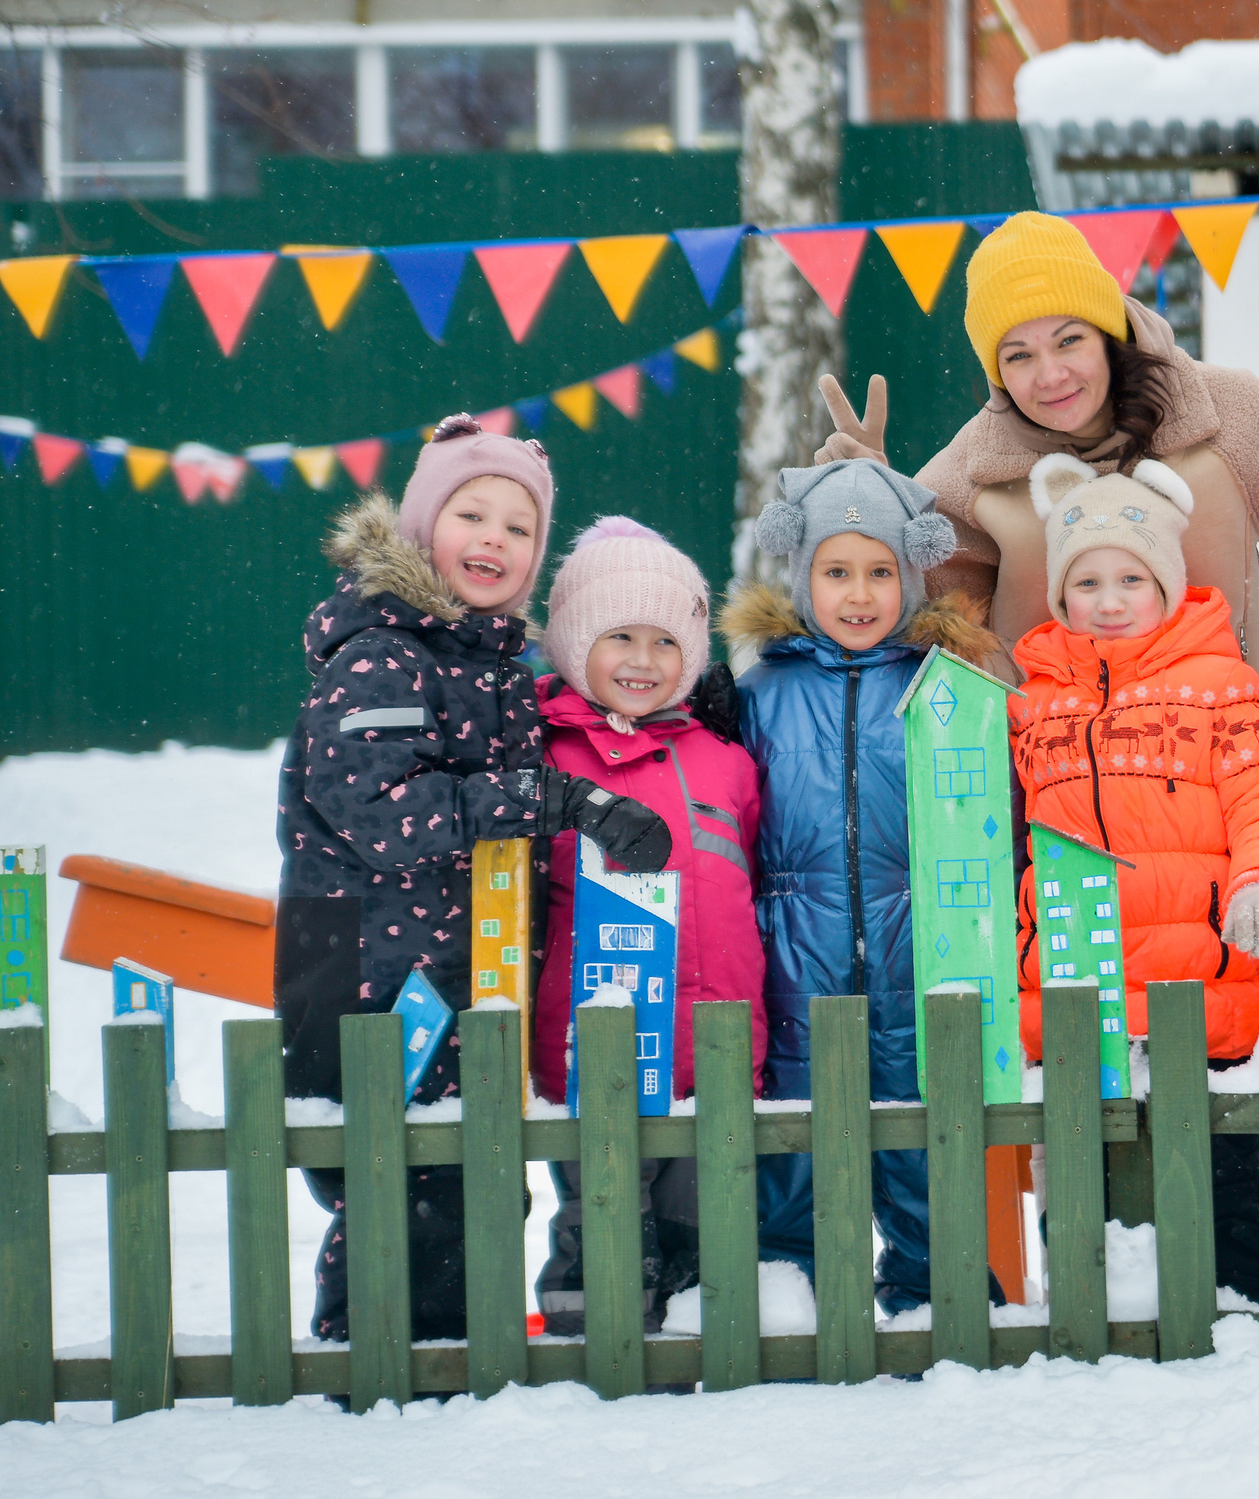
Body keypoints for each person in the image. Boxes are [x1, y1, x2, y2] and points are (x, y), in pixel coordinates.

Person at [275, 415, 670, 1348]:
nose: (494, 539)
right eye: (471, 513)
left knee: (469, 1183)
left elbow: (588, 712)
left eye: (519, 526)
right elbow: (381, 814)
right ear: (422, 526)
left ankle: (450, 1373)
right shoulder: (384, 652)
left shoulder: (484, 663)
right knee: (396, 1188)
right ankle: (371, 1370)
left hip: (450, 973)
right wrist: (541, 798)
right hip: (367, 978)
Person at [807, 211, 1259, 681]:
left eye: (1069, 340)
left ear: (1108, 332)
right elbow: (904, 629)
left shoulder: (1230, 415)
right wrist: (871, 510)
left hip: (1227, 780)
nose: (1051, 374)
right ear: (996, 373)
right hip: (1055, 793)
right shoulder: (973, 474)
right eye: (1019, 356)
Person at [1009, 452, 1259, 1304]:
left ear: (1169, 584)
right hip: (1076, 990)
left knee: (1216, 1180)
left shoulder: (1222, 690)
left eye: (1131, 578)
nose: (1108, 602)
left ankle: (1243, 1311)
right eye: (1087, 582)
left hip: (1199, 986)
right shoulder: (1034, 702)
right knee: (1079, 1182)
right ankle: (1086, 1324)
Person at [725, 455, 1002, 1312]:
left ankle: (935, 1291)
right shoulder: (759, 691)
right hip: (794, 958)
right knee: (795, 1141)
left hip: (918, 950)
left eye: (880, 571)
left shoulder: (941, 685)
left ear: (911, 574)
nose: (859, 593)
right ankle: (793, 1294)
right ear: (802, 574)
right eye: (836, 571)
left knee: (920, 1138)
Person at [528, 518, 764, 1336]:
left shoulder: (724, 758)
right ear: (571, 642)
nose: (641, 660)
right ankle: (583, 1341)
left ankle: (694, 1346)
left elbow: (751, 882)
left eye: (665, 641)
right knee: (601, 1210)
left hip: (711, 1040)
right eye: (617, 636)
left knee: (699, 1217)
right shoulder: (548, 754)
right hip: (597, 1044)